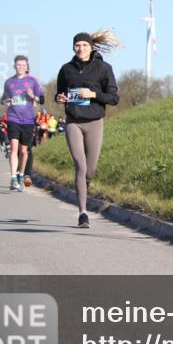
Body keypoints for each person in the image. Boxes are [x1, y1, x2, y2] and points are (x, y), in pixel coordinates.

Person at [55, 30, 120, 228]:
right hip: (73, 121)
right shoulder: (66, 69)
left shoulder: (103, 68)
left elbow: (114, 98)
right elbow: (59, 93)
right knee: (80, 167)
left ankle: (84, 184)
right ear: (73, 47)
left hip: (94, 122)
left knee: (90, 170)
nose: (80, 48)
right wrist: (59, 98)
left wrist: (93, 94)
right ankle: (83, 213)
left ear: (91, 47)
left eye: (84, 45)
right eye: (77, 45)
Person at [1, 55, 44, 192]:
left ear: (27, 67)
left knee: (24, 151)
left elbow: (41, 99)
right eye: (18, 65)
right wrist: (5, 102)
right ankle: (13, 177)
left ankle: (21, 174)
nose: (20, 67)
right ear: (14, 66)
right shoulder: (9, 82)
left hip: (28, 119)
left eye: (23, 65)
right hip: (13, 118)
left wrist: (33, 96)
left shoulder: (33, 81)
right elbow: (3, 99)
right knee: (14, 149)